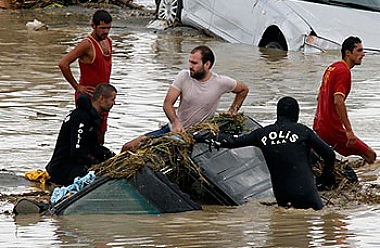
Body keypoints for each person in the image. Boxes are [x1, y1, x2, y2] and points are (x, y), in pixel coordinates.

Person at [200, 97, 336, 210]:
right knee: (313, 222)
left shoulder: (262, 134)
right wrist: (326, 177)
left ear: (278, 113)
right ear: (296, 114)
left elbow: (231, 142)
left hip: (282, 194)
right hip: (306, 192)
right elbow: (329, 154)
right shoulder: (302, 131)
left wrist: (200, 137)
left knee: (283, 230)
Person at [121, 45, 249, 151]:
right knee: (128, 147)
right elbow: (167, 104)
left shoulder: (221, 82)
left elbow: (243, 90)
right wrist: (176, 122)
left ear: (207, 64)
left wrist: (233, 110)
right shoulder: (183, 76)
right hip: (173, 130)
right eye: (190, 62)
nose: (190, 66)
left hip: (197, 135)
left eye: (194, 63)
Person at [313, 36, 377, 165]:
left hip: (319, 126)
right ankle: (363, 180)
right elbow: (338, 101)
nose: (363, 54)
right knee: (371, 156)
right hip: (333, 129)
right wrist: (348, 130)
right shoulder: (344, 72)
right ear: (348, 53)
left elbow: (319, 97)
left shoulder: (332, 68)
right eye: (359, 50)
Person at [46, 83, 117, 186]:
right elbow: (76, 151)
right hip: (61, 168)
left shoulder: (92, 117)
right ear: (102, 99)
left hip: (72, 164)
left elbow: (93, 147)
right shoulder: (81, 117)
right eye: (112, 99)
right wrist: (94, 165)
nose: (113, 103)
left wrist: (111, 157)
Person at [58, 9, 113, 144]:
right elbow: (63, 63)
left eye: (108, 28)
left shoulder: (108, 41)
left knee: (102, 131)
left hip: (104, 97)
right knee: (87, 134)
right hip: (88, 98)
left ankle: (100, 162)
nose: (105, 31)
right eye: (102, 28)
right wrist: (77, 86)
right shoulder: (86, 44)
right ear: (93, 26)